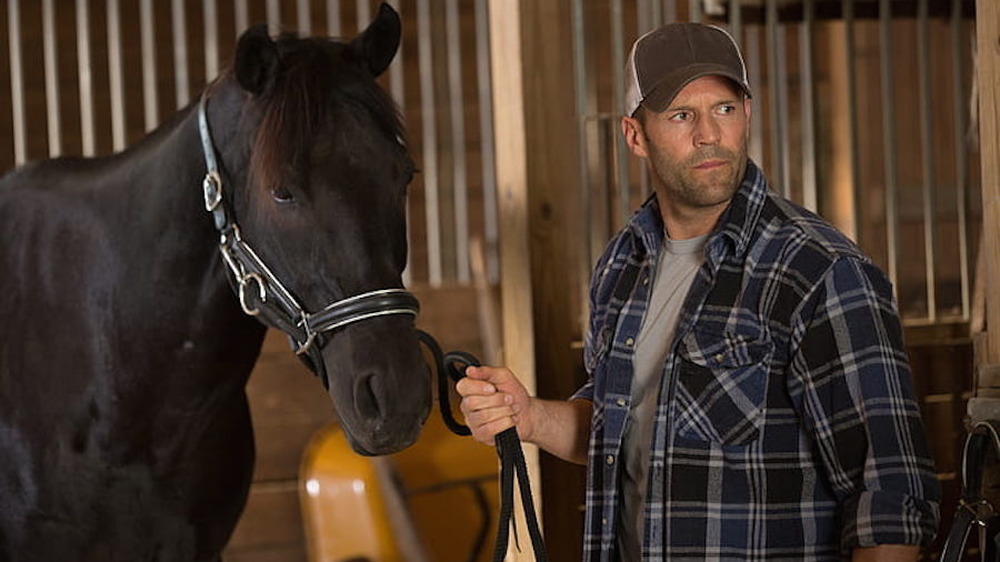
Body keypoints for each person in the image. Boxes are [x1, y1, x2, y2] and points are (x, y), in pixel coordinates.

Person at [457, 22, 940, 561]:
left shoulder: (817, 271)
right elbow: (625, 427)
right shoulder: (621, 265)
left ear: (748, 115)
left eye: (725, 109)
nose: (709, 133)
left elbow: (889, 498)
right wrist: (529, 418)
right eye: (682, 115)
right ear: (635, 136)